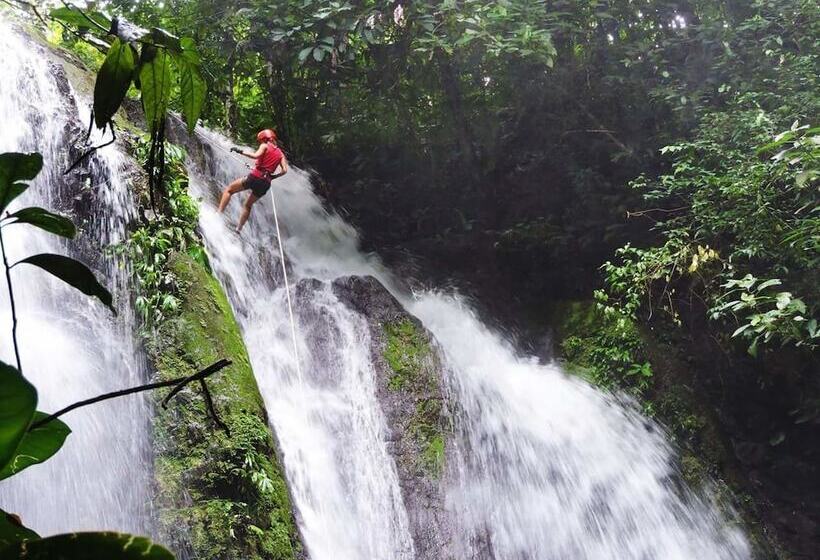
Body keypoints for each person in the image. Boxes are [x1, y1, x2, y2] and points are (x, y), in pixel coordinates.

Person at [218, 128, 288, 232]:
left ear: (265, 139)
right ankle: (239, 229)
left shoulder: (265, 146)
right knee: (248, 205)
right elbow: (284, 170)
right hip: (266, 183)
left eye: (261, 140)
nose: (261, 142)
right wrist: (273, 177)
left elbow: (255, 156)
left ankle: (218, 213)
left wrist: (240, 151)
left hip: (255, 176)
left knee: (229, 190)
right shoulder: (280, 154)